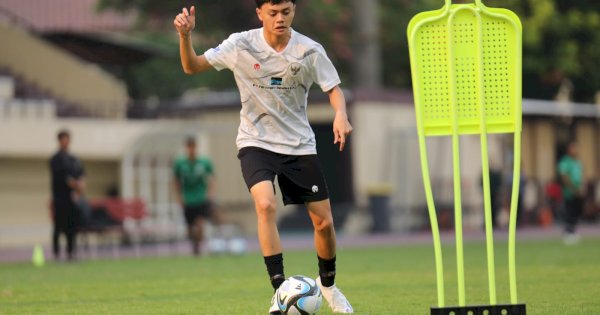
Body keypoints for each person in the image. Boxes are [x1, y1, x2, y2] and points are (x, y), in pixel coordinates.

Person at [173, 1, 354, 313]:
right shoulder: (240, 44)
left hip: (298, 145)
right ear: (260, 14)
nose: (280, 18)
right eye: (273, 13)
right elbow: (191, 67)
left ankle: (329, 286)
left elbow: (334, 89)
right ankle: (280, 289)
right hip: (256, 142)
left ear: (294, 10)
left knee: (323, 223)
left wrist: (341, 115)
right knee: (265, 204)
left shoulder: (309, 50)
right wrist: (185, 36)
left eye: (286, 11)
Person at [173, 136, 219, 256]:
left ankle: (197, 247)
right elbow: (176, 181)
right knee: (189, 227)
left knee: (200, 223)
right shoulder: (180, 163)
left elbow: (212, 178)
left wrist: (210, 194)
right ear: (186, 148)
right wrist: (179, 196)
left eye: (193, 146)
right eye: (189, 147)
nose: (191, 149)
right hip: (187, 199)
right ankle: (193, 243)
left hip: (201, 198)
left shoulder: (204, 162)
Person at [49, 129, 85, 261]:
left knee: (71, 226)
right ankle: (56, 253)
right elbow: (65, 179)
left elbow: (81, 174)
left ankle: (71, 252)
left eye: (68, 139)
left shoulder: (74, 159)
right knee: (58, 226)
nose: (66, 142)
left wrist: (79, 188)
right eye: (64, 139)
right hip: (60, 199)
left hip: (72, 199)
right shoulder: (55, 160)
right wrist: (76, 185)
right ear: (59, 141)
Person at [558, 141, 584, 245]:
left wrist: (581, 188)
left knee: (577, 212)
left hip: (578, 191)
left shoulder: (577, 162)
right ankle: (568, 233)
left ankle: (573, 231)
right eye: (574, 148)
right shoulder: (565, 161)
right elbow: (564, 176)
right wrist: (573, 188)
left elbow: (580, 175)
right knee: (570, 211)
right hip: (570, 191)